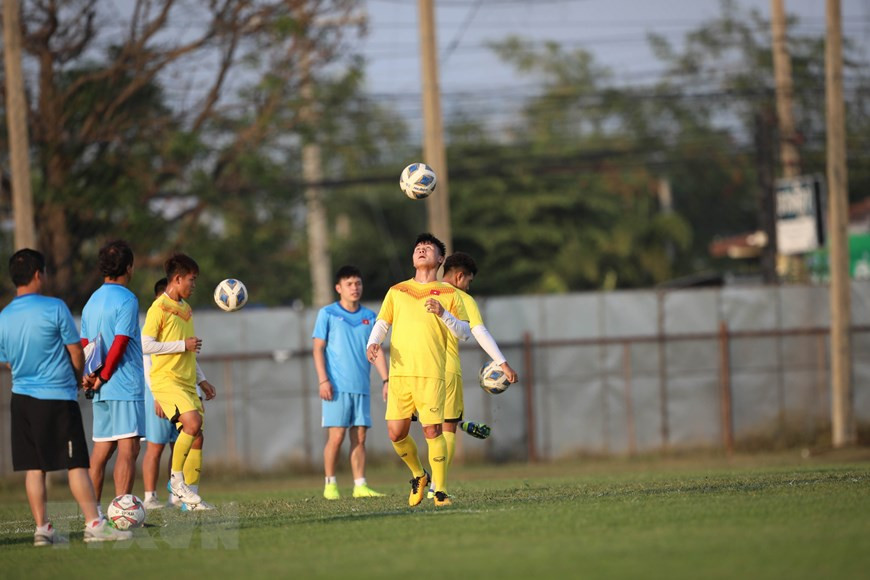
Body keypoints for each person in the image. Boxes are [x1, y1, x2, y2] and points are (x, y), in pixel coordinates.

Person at [0, 249, 131, 545]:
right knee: (76, 465)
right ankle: (94, 524)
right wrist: (77, 379)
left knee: (35, 468)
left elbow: (7, 361)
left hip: (21, 400)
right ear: (38, 274)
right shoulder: (55, 307)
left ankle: (42, 529)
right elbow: (75, 352)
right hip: (57, 398)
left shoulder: (4, 316)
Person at [366, 233, 470, 507]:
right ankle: (419, 475)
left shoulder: (449, 294)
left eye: (428, 248)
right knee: (395, 433)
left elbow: (465, 333)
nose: (421, 250)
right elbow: (382, 322)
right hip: (400, 373)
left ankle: (441, 492)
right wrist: (373, 342)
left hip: (431, 373)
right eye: (418, 248)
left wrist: (443, 314)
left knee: (432, 431)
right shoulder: (397, 290)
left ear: (440, 259)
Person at [429, 252, 519, 498]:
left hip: (419, 370)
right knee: (447, 429)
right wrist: (503, 363)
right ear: (460, 276)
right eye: (468, 281)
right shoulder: (461, 297)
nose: (468, 286)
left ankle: (421, 475)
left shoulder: (423, 291)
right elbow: (478, 332)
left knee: (426, 426)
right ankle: (436, 487)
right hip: (446, 369)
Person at [142, 253, 216, 509]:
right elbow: (145, 344)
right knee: (192, 423)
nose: (194, 285)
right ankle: (176, 481)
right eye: (191, 280)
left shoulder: (185, 309)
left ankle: (191, 500)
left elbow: (188, 351)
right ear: (177, 279)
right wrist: (181, 344)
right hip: (166, 381)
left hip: (186, 381)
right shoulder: (158, 308)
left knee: (198, 436)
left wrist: (202, 380)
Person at [313, 265, 389, 500]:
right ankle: (330, 484)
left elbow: (375, 351)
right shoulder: (327, 314)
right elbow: (317, 349)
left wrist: (386, 379)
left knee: (360, 437)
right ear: (339, 288)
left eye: (358, 283)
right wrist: (323, 380)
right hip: (336, 388)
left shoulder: (370, 317)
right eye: (349, 284)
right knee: (336, 437)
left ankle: (360, 485)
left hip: (361, 387)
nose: (355, 288)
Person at [80, 240, 146, 505]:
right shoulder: (127, 299)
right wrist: (105, 375)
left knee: (102, 450)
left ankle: (92, 519)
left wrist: (91, 375)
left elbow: (86, 343)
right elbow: (120, 342)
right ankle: (123, 513)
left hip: (99, 387)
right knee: (128, 447)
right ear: (129, 268)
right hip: (122, 382)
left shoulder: (91, 301)